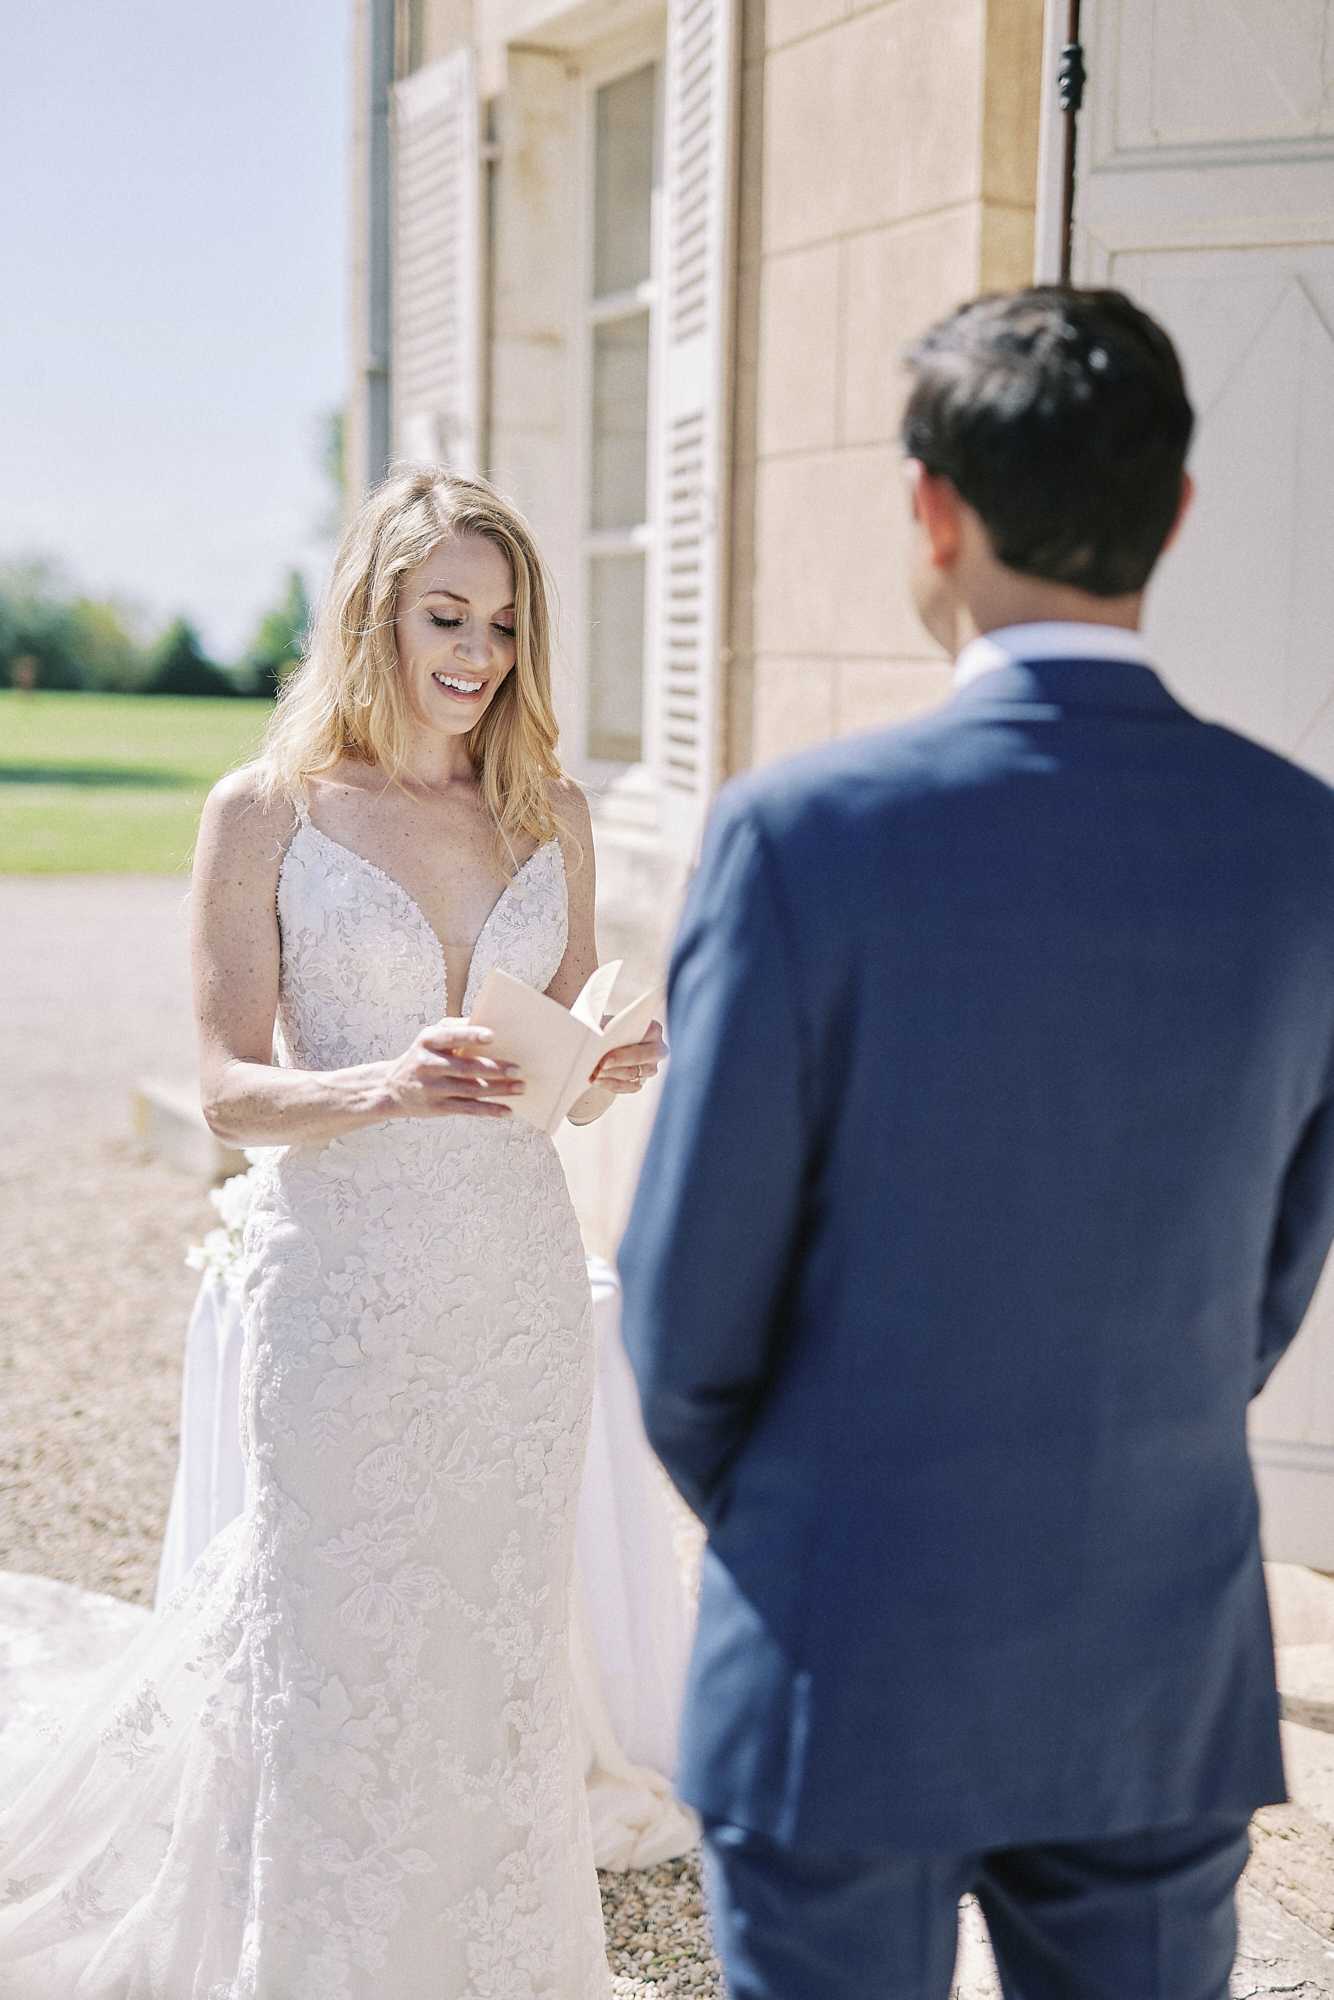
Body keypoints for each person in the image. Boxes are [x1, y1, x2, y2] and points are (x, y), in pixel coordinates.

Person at [617, 286, 1334, 2000]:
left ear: (930, 509)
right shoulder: (1301, 847)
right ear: (1171, 511)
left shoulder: (801, 840)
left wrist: (811, 1510)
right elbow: (1270, 1269)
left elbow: (681, 1317)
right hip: (1154, 1645)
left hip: (838, 1627)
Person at [0, 466, 666, 1995]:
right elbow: (230, 1089)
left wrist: (599, 1064)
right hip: (347, 1296)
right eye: (446, 615)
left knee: (494, 1644)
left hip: (511, 1287)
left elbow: (536, 1083)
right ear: (372, 611)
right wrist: (378, 1079)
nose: (478, 655)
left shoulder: (542, 808)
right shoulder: (264, 813)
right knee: (338, 1638)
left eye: (503, 625)